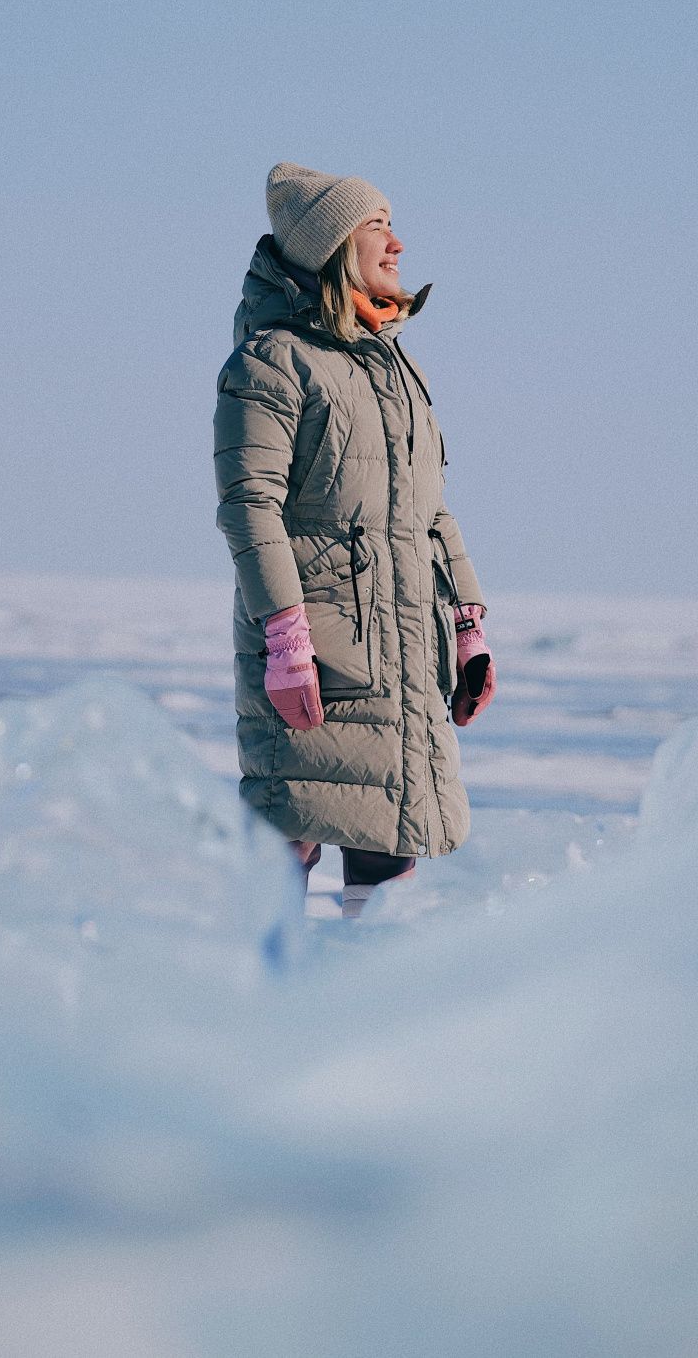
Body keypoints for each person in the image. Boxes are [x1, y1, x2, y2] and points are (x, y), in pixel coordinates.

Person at [213, 162, 495, 918]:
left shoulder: (396, 367)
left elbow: (431, 512)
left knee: (387, 839)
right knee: (289, 828)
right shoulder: (271, 361)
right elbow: (249, 508)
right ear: (331, 245)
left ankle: (368, 1015)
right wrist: (284, 637)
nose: (397, 242)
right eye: (376, 226)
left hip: (404, 650)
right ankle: (252, 1012)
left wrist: (466, 627)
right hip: (323, 652)